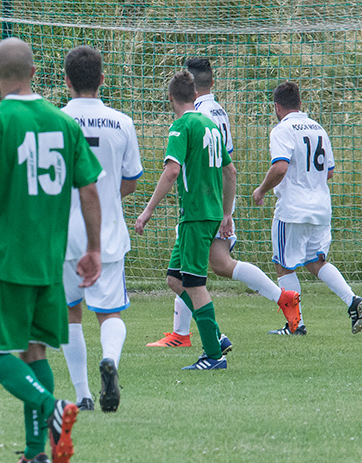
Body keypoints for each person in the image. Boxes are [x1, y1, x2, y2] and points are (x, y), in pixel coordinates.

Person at [0, 37, 103, 463]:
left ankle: (53, 408)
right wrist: (93, 248)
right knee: (35, 351)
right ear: (34, 73)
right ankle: (36, 454)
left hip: (3, 259)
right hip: (48, 261)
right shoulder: (64, 123)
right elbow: (89, 189)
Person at [146, 58, 302, 348]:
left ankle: (187, 335)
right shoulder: (217, 112)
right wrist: (225, 210)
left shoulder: (193, 117)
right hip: (217, 201)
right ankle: (281, 297)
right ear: (211, 83)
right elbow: (228, 167)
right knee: (217, 265)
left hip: (200, 203)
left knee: (190, 276)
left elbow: (184, 167)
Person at [59, 46, 143, 413]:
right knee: (110, 314)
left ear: (66, 81)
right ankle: (109, 359)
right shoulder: (121, 122)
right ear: (102, 79)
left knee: (68, 312)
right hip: (106, 232)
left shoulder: (54, 121)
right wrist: (104, 196)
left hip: (63, 234)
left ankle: (83, 395)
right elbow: (131, 181)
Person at [135, 70, 236, 370]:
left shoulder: (181, 126)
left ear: (170, 98)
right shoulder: (211, 125)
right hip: (210, 213)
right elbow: (230, 172)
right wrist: (226, 213)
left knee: (194, 283)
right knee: (174, 279)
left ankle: (213, 356)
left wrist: (147, 211)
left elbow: (172, 172)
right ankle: (215, 336)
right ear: (194, 95)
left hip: (195, 215)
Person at [253, 81, 362, 335]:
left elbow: (280, 167)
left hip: (293, 209)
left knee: (284, 266)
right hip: (321, 208)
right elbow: (329, 172)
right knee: (315, 262)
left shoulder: (282, 130)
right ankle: (352, 300)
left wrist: (261, 190)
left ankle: (296, 325)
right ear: (300, 103)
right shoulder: (318, 128)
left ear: (277, 107)